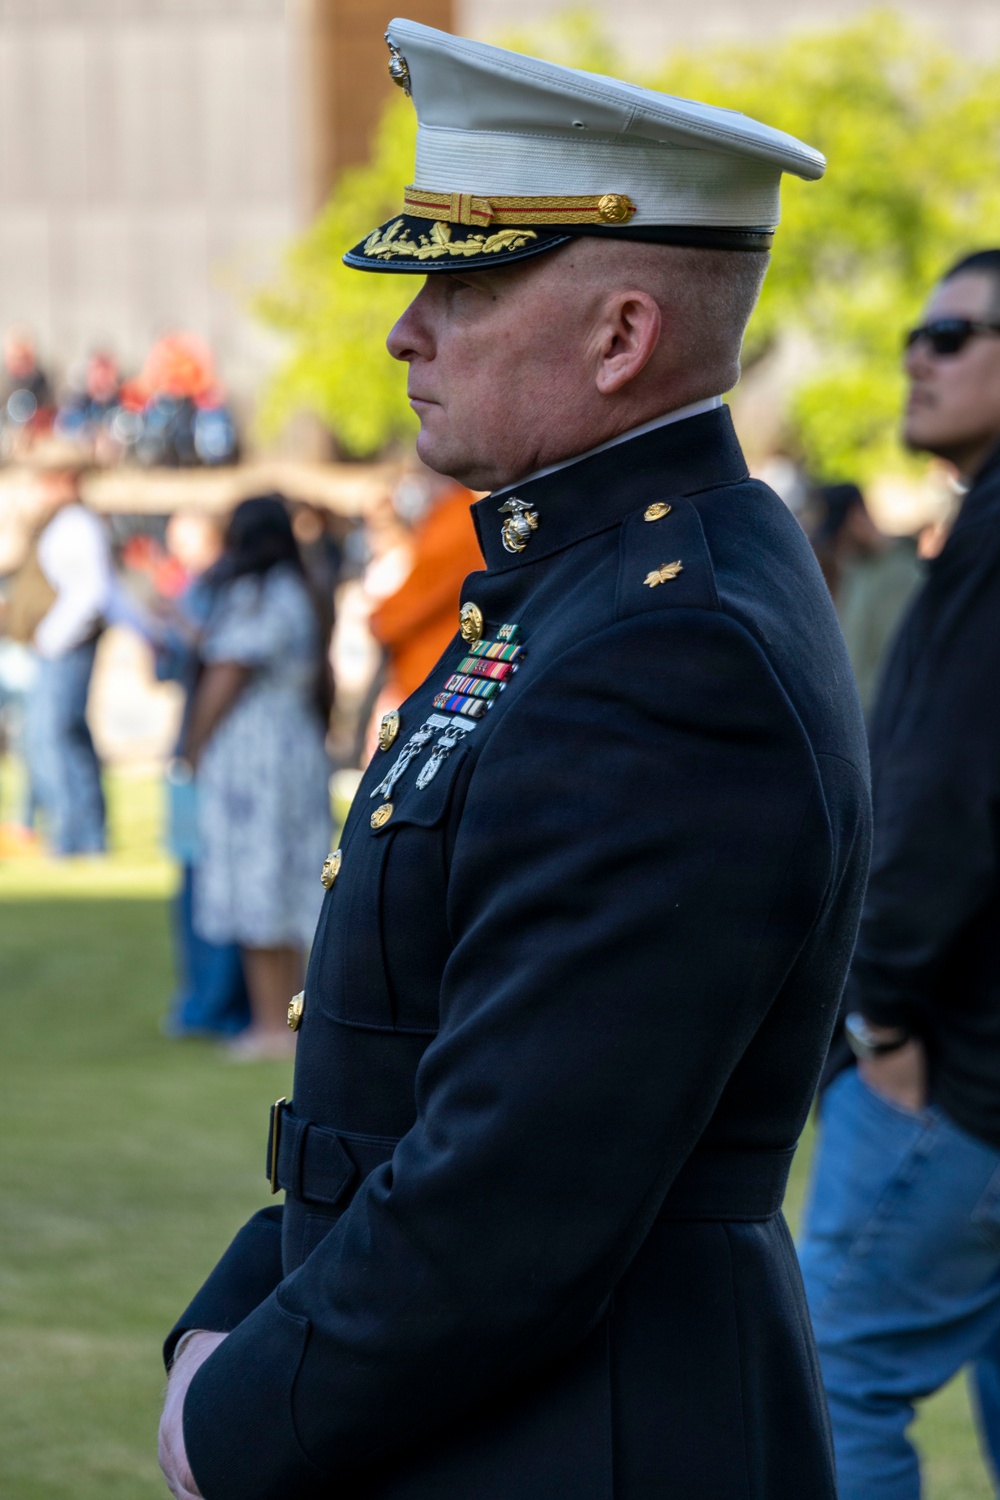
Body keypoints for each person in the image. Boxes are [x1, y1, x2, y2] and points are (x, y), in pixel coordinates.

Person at [159, 22, 870, 1500]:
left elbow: (517, 1186)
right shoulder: (586, 588)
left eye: (465, 283)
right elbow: (411, 1074)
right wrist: (238, 1303)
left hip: (584, 1432)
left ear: (622, 336)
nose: (408, 328)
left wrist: (237, 1419)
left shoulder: (675, 647)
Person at [798, 248, 1000, 1500]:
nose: (916, 356)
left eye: (954, 333)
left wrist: (877, 1014)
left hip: (956, 1075)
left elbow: (945, 800)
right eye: (914, 334)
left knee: (834, 1387)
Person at [181, 495, 331, 1061]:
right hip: (294, 746)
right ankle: (291, 1020)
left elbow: (226, 675)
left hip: (254, 756)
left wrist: (193, 747)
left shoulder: (257, 594)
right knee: (290, 880)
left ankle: (272, 1023)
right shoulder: (301, 590)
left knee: (259, 878)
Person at [156, 511, 251, 1041]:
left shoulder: (235, 590)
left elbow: (223, 656)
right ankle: (201, 999)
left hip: (217, 758)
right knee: (193, 880)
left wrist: (181, 624)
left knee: (217, 882)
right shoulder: (204, 587)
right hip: (195, 753)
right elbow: (170, 667)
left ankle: (220, 1002)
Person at [13, 466, 110, 855]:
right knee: (54, 736)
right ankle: (78, 834)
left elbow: (93, 589)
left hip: (66, 646)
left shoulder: (77, 524)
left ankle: (76, 837)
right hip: (55, 647)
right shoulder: (60, 523)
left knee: (57, 736)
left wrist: (51, 637)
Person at [811, 482, 923, 717]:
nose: (837, 546)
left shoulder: (902, 575)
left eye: (838, 534)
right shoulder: (857, 569)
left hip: (881, 722)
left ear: (856, 517)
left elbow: (894, 666)